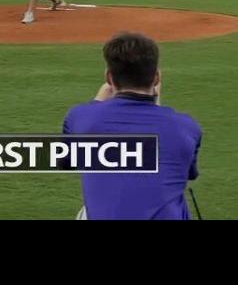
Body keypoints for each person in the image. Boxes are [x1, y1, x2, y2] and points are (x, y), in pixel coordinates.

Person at [63, 32, 202, 220]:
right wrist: (154, 103)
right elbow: (184, 172)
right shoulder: (186, 127)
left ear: (109, 77)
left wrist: (97, 101)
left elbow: (69, 161)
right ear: (156, 78)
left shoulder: (80, 117)